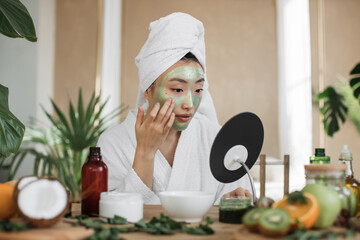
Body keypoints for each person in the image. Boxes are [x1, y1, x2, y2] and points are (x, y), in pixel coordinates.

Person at [97, 12, 252, 204]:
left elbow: (235, 199)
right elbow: (111, 213)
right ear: (148, 90)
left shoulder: (216, 138)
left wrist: (230, 202)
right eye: (177, 89)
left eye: (198, 89)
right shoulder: (112, 143)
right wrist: (145, 153)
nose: (189, 104)